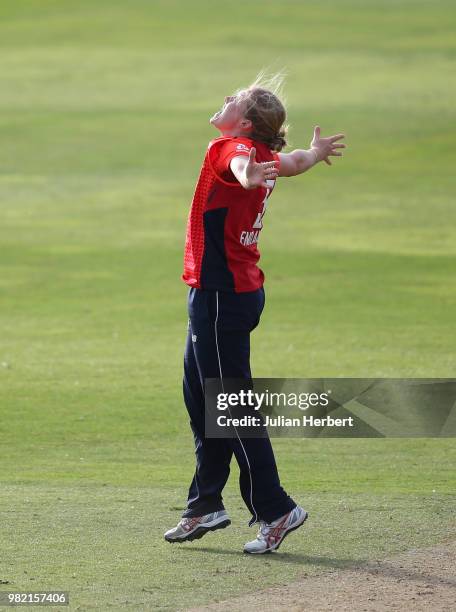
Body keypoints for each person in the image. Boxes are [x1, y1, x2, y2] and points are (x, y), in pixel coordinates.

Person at [164, 74, 346, 554]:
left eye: (234, 100)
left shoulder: (233, 149)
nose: (225, 100)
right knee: (203, 400)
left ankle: (276, 509)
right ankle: (205, 504)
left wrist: (250, 174)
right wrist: (315, 152)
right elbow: (296, 161)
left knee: (230, 407)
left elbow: (242, 167)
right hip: (224, 294)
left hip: (222, 297)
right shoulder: (265, 156)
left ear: (244, 122)